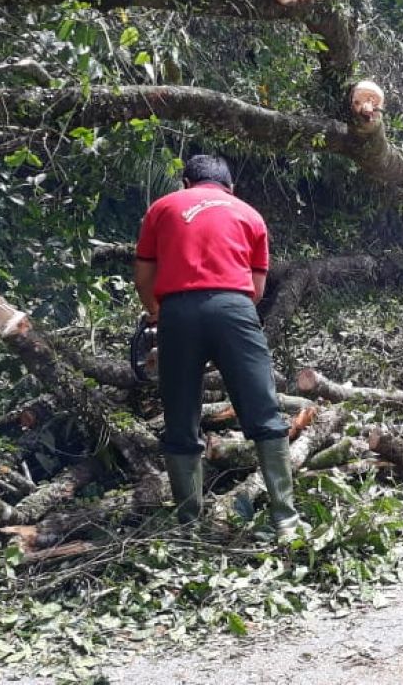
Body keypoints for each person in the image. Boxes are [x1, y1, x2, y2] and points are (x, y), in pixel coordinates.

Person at [134, 155, 300, 541]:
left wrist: (158, 313)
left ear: (186, 182)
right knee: (263, 411)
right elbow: (256, 288)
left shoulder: (162, 207)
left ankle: (189, 526)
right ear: (229, 187)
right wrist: (229, 313)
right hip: (234, 307)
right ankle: (286, 522)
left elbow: (143, 274)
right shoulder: (249, 213)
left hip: (177, 311)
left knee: (180, 416)